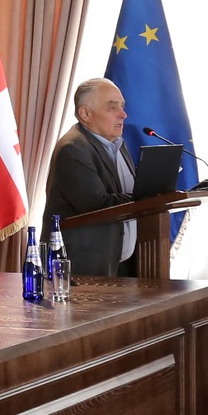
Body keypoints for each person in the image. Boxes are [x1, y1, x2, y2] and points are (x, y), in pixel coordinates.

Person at [42, 77, 138, 278]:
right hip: (81, 270)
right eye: (112, 108)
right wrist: (147, 196)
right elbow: (96, 205)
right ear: (85, 114)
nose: (123, 114)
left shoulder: (118, 144)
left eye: (122, 106)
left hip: (118, 267)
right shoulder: (73, 149)